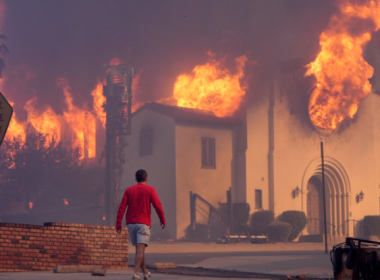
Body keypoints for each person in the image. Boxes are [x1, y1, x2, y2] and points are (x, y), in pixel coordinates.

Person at [116, 169, 166, 280]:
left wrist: (118, 223)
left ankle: (145, 273)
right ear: (146, 179)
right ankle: (135, 273)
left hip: (131, 224)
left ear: (135, 179)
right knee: (140, 249)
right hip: (143, 223)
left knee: (139, 249)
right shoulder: (150, 190)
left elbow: (122, 208)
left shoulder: (129, 190)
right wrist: (162, 219)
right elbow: (158, 205)